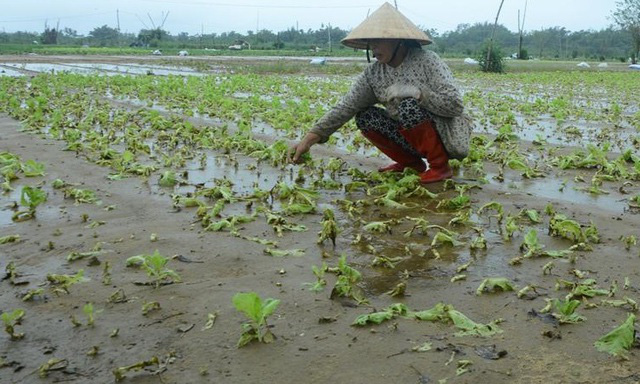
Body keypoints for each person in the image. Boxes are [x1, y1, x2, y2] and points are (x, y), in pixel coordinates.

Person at [288, 2, 471, 184]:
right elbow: (346, 106)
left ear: (398, 40)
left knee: (408, 105)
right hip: (411, 137)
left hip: (445, 136)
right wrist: (308, 140)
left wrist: (420, 94)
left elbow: (455, 105)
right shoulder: (374, 73)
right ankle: (411, 164)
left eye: (379, 41)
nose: (373, 47)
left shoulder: (427, 61)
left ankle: (439, 167)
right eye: (371, 42)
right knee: (366, 116)